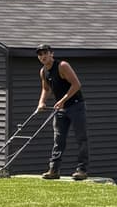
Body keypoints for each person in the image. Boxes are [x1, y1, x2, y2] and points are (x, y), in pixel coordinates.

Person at [35, 43, 89, 180]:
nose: (43, 56)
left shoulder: (62, 66)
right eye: (40, 54)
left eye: (45, 53)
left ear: (51, 54)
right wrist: (41, 102)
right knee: (58, 139)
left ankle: (82, 170)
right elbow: (46, 89)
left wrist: (63, 100)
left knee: (81, 138)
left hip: (76, 106)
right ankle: (54, 170)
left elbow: (76, 85)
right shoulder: (43, 71)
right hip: (60, 108)